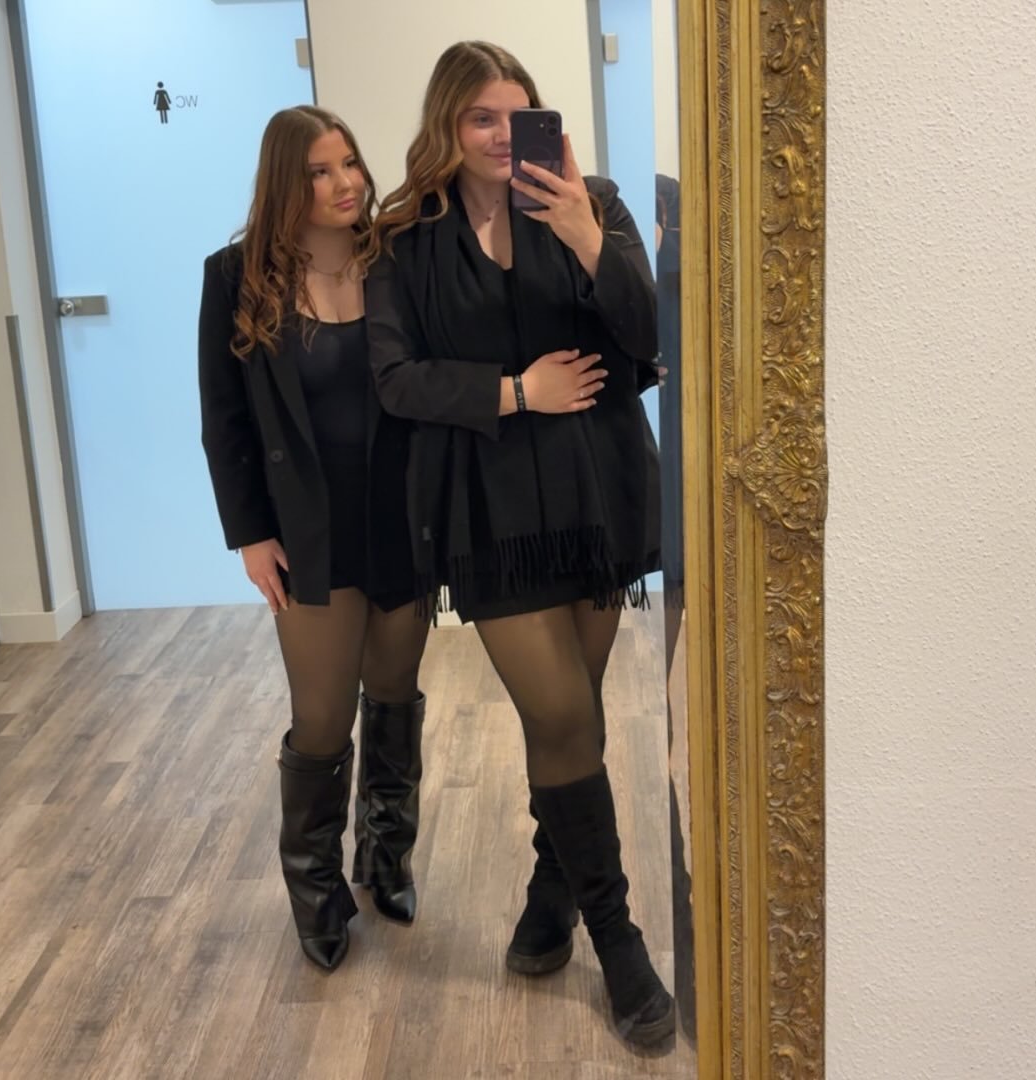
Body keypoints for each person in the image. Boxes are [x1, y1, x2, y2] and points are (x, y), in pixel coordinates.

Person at [365, 42, 673, 1044]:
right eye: (480, 118)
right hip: (489, 509)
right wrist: (513, 392)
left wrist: (586, 236)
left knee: (571, 713)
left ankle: (551, 890)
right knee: (561, 710)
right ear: (447, 128)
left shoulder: (597, 204)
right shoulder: (406, 239)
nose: (503, 136)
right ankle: (618, 940)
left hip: (597, 489)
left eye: (518, 114)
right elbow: (394, 378)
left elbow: (648, 338)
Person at [198, 106, 430, 972]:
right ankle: (315, 887)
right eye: (321, 171)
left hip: (401, 516)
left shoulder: (397, 260)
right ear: (284, 184)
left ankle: (386, 857)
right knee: (324, 716)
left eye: (351, 164)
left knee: (394, 692)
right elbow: (223, 420)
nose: (346, 184)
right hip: (306, 530)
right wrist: (250, 535)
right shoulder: (234, 277)